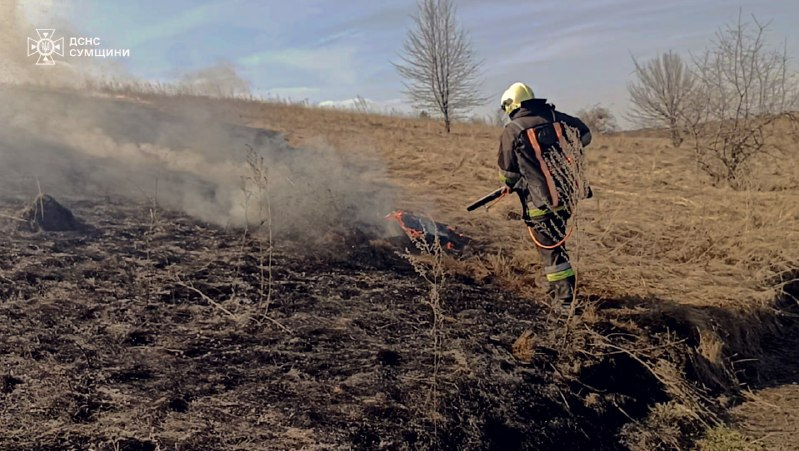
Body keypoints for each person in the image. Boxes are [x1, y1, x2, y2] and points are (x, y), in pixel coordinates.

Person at [496, 82, 592, 308]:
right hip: (567, 196)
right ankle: (553, 286)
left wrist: (510, 183)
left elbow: (508, 172)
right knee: (555, 242)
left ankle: (565, 301)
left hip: (540, 201)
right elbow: (586, 135)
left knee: (552, 251)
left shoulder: (513, 129)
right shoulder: (556, 117)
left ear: (511, 105)